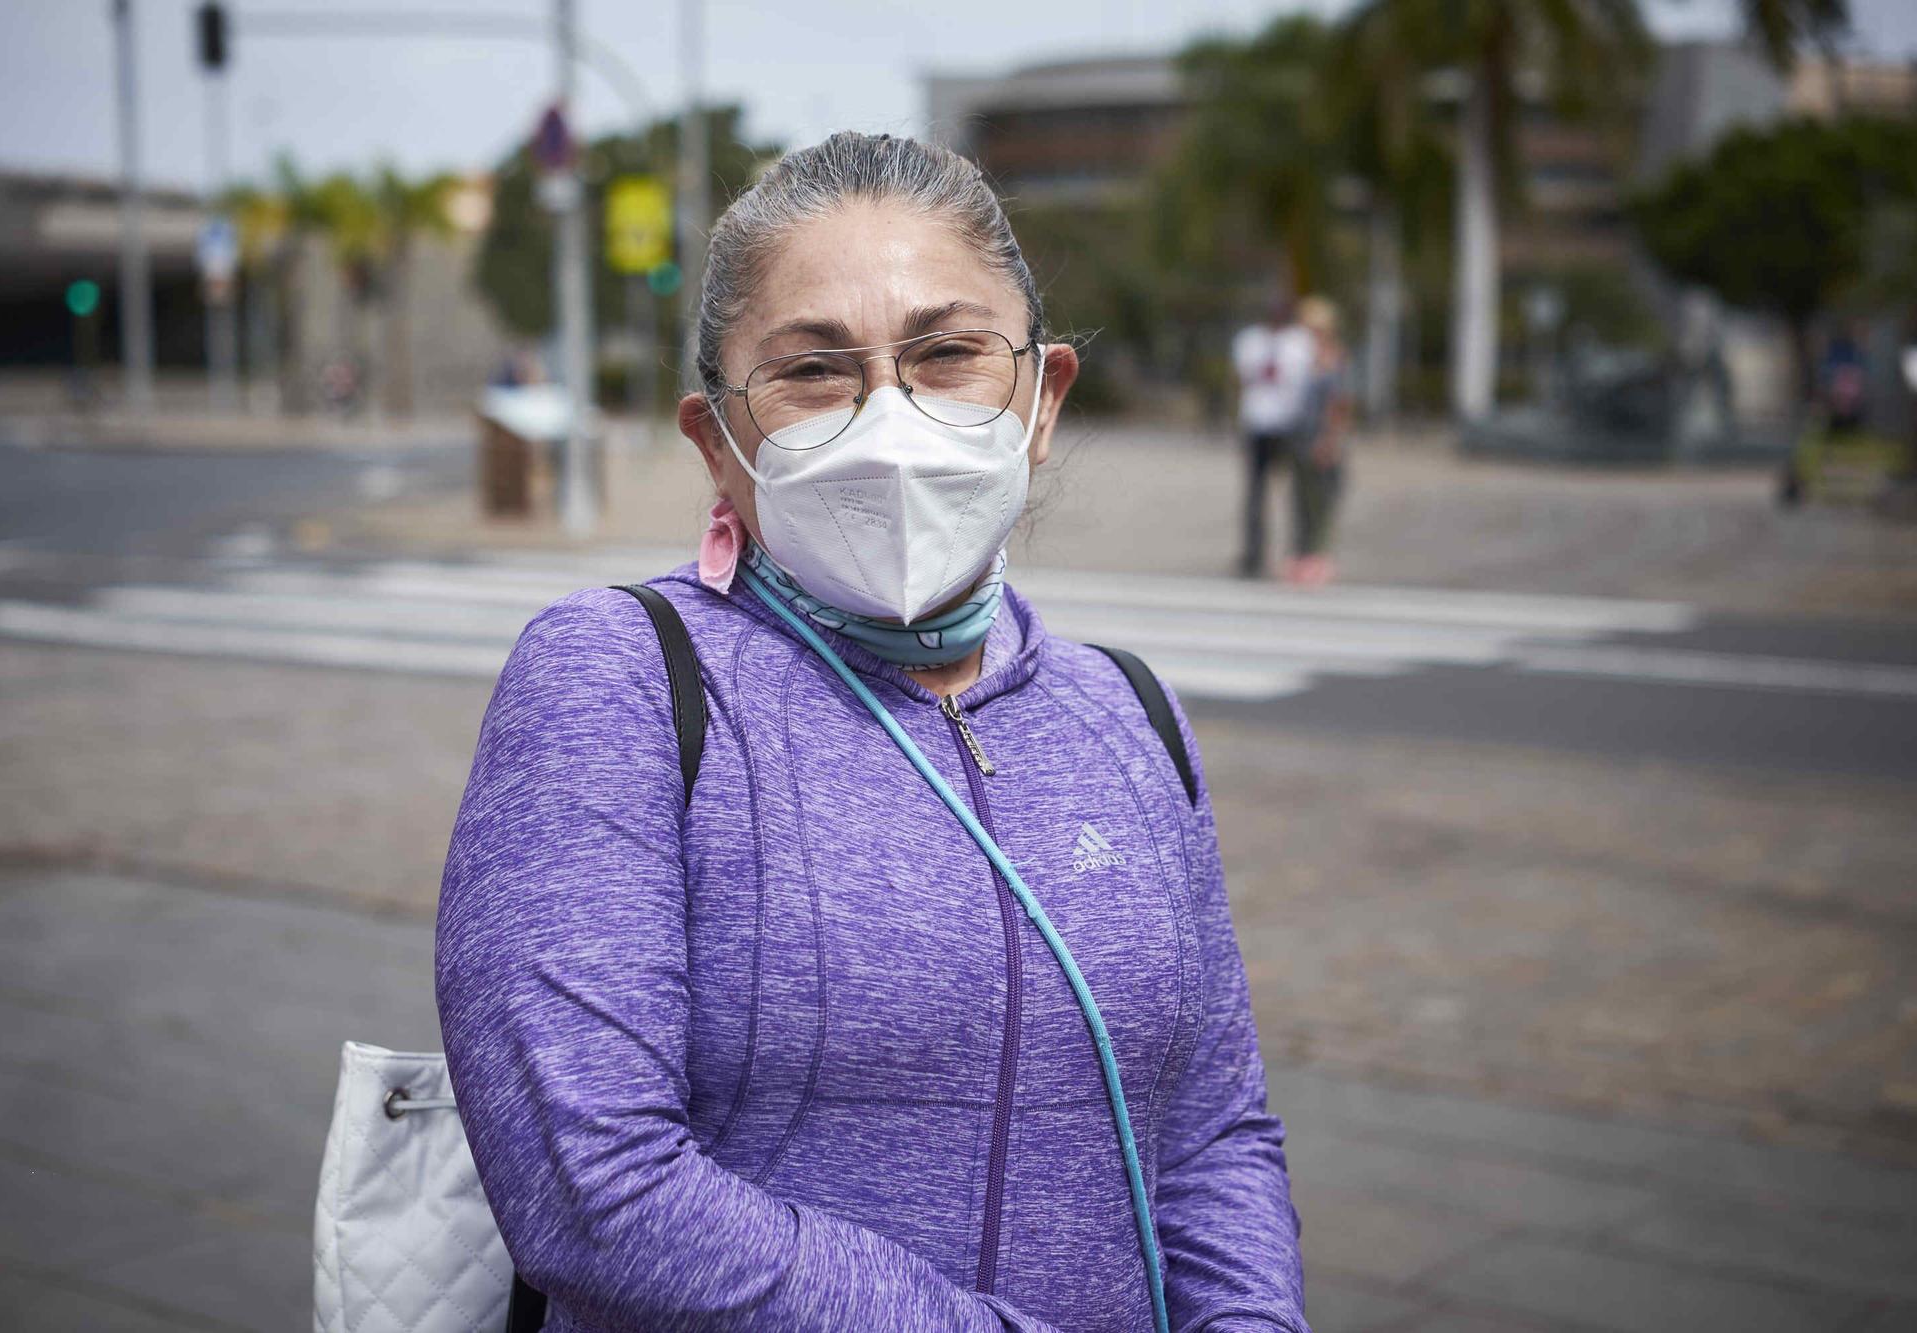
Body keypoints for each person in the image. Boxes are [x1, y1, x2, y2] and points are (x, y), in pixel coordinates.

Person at [435, 132, 1308, 1333]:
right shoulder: (616, 681)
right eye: (811, 372)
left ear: (1040, 397)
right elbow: (592, 1190)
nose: (885, 415)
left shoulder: (1126, 712)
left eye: (947, 353)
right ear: (717, 444)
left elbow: (1210, 1131)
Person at [1231, 296, 1315, 577]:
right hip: (1258, 420)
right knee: (1256, 492)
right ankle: (1254, 553)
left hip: (1289, 423)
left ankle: (1299, 552)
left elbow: (1302, 379)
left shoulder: (1299, 343)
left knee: (1297, 491)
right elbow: (1245, 374)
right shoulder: (1250, 340)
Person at [1285, 296, 1352, 587]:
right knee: (1301, 502)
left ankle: (1320, 557)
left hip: (1324, 441)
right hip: (1300, 439)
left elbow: (1340, 405)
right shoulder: (1300, 358)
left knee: (1323, 502)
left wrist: (1330, 440)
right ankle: (1301, 556)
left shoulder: (1336, 359)